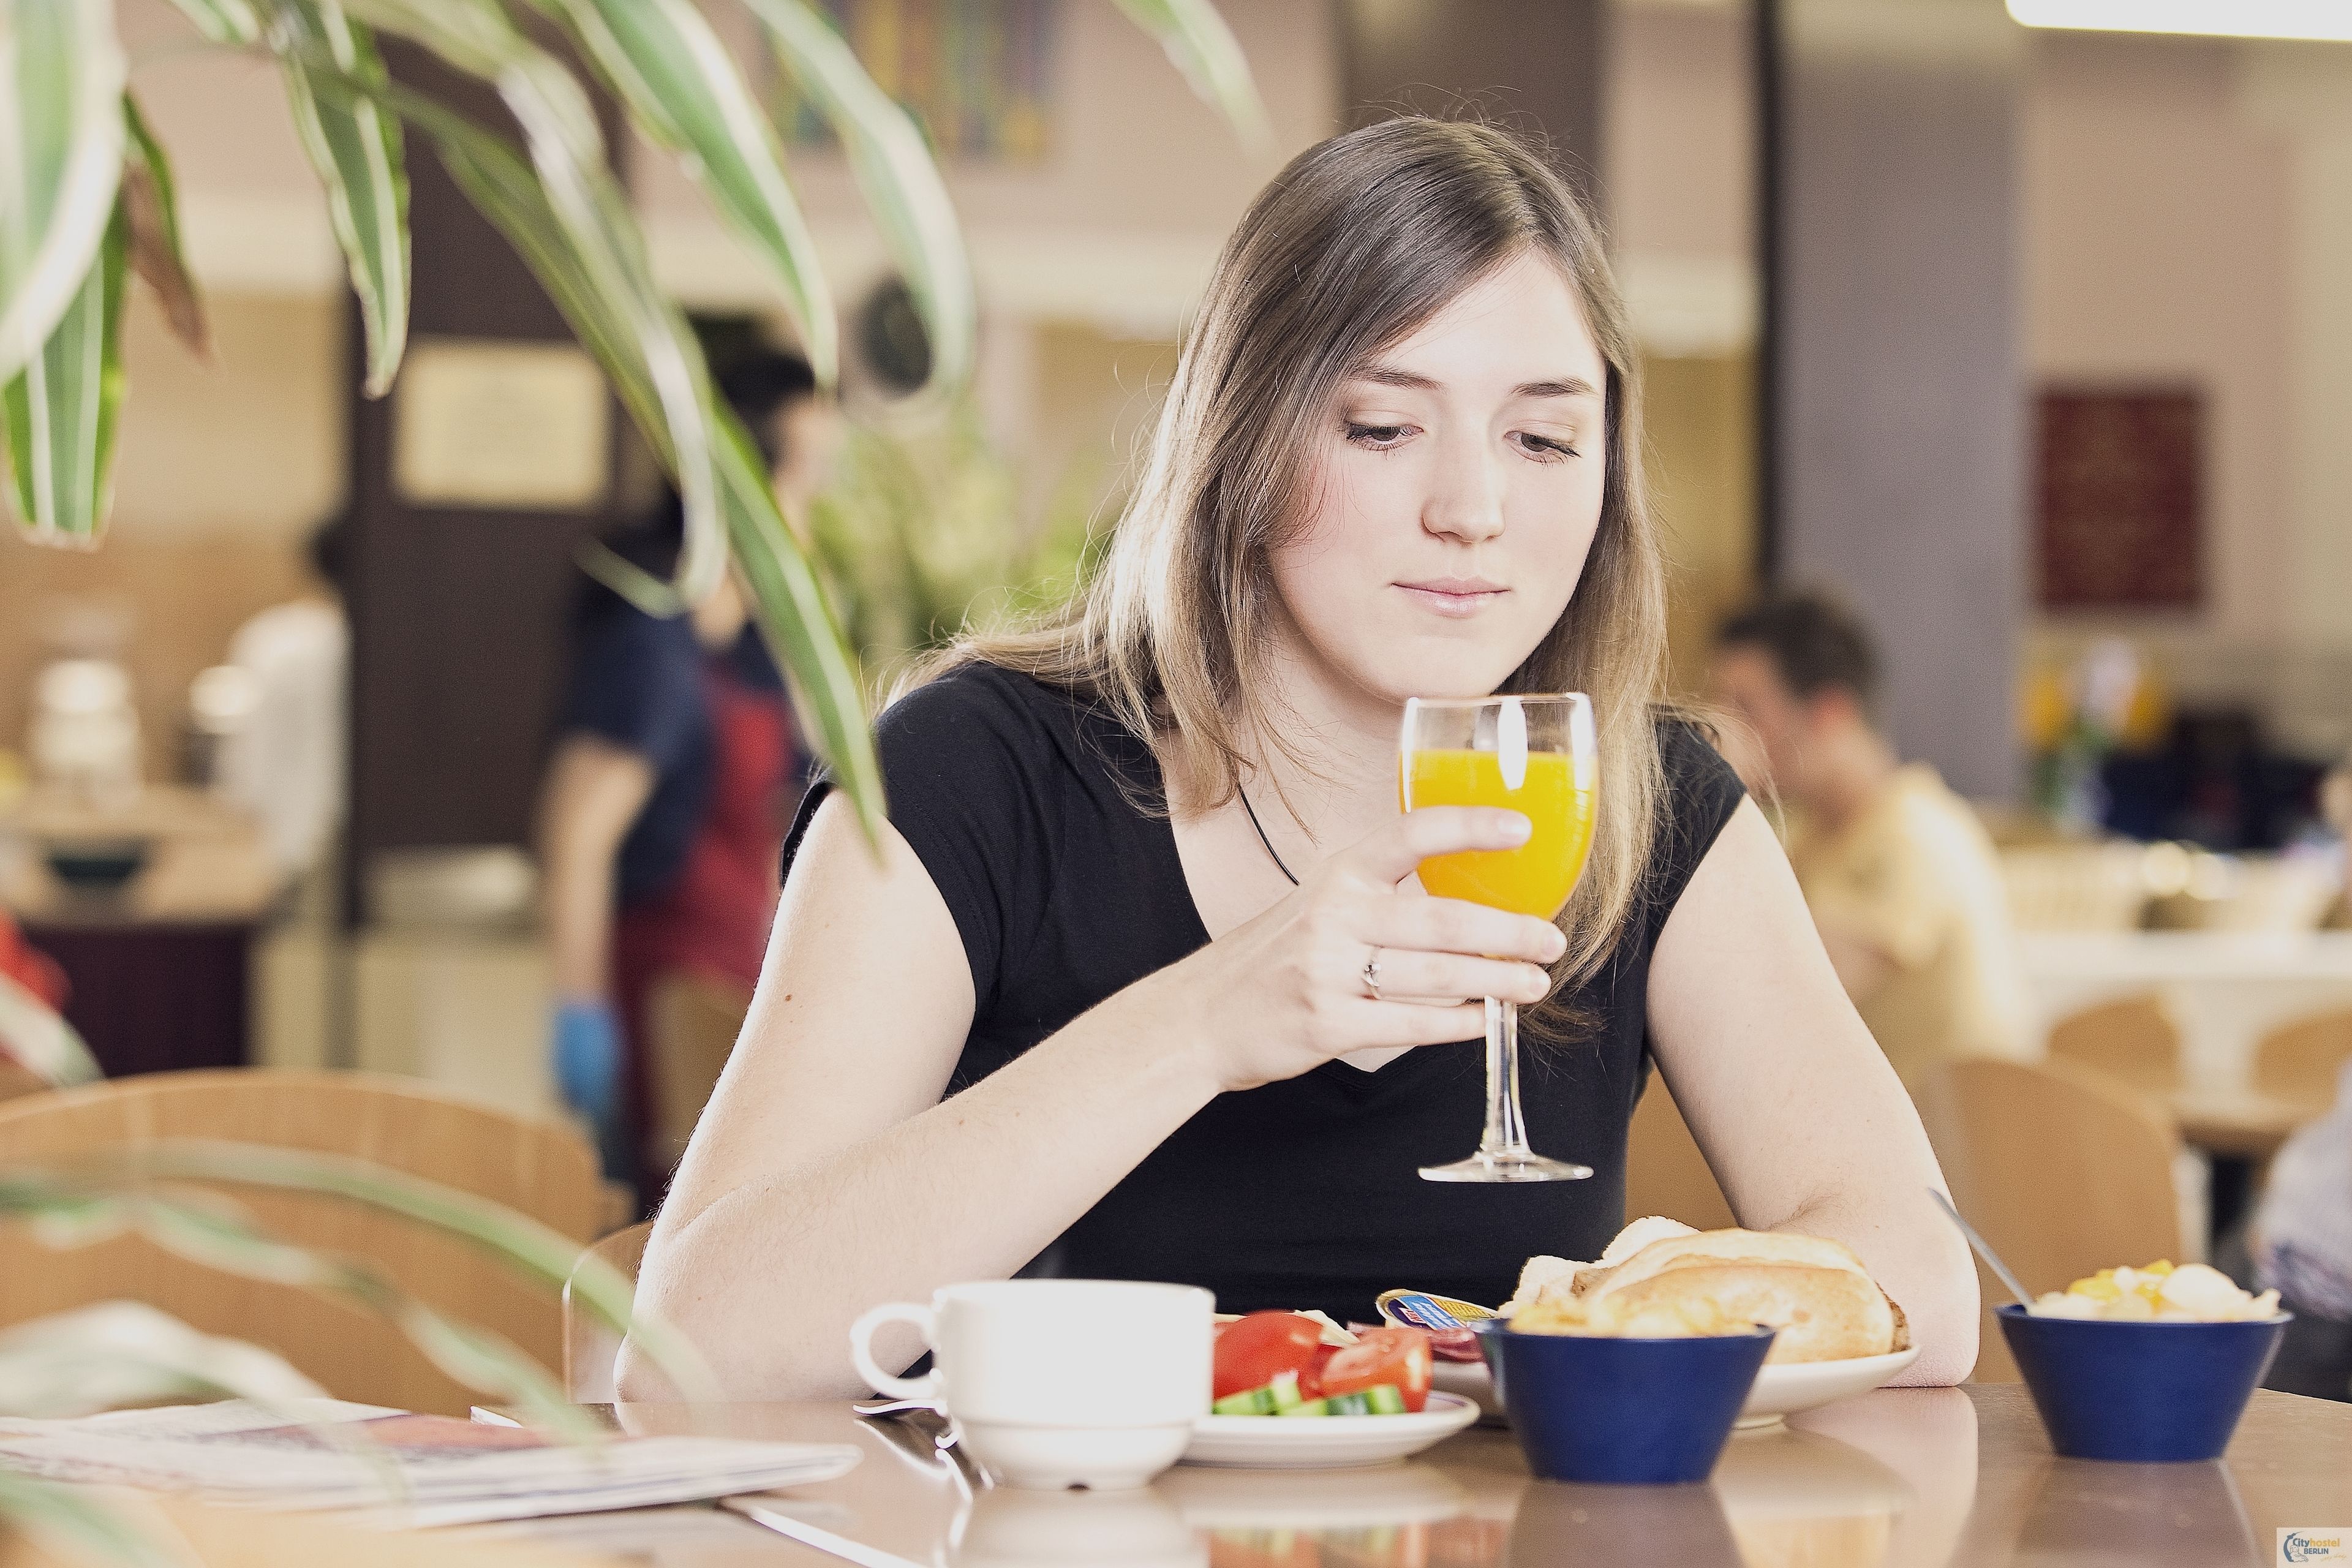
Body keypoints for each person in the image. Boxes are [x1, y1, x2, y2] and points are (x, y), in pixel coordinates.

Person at [620, 119, 1977, 1400]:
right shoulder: (973, 774)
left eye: (1546, 436)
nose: (1474, 510)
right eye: (1384, 428)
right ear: (1244, 443)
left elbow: (1926, 1291)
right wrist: (1206, 1022)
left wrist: (1648, 1306)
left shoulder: (1648, 800)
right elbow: (691, 1347)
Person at [537, 347, 840, 1194]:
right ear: (743, 488)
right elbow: (576, 838)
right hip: (659, 996)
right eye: (805, 477)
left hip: (731, 982)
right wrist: (580, 1012)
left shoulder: (746, 653)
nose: (814, 509)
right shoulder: (652, 645)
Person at [1709, 592, 2032, 1096]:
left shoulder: (1911, 835)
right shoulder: (1817, 837)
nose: (1723, 731)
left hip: (1949, 1161)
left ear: (1829, 714)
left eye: (1746, 709)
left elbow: (1774, 999)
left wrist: (1712, 797)